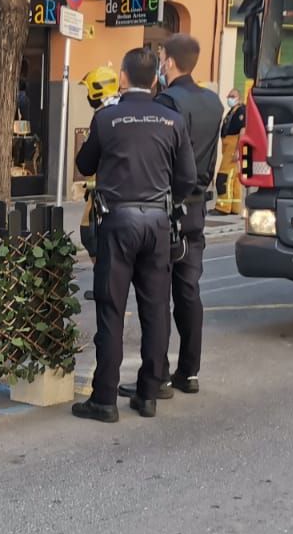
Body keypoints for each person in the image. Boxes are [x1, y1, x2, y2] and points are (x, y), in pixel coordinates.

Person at [72, 47, 195, 423]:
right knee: (156, 309)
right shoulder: (172, 120)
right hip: (157, 223)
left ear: (123, 77)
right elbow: (187, 178)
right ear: (156, 79)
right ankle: (147, 394)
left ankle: (105, 399)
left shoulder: (107, 118)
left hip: (118, 221)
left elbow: (84, 164)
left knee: (111, 308)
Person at [119, 33, 223, 401]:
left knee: (156, 295)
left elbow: (166, 158)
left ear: (171, 63)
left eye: (161, 57)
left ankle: (158, 376)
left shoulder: (166, 102)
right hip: (196, 208)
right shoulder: (214, 103)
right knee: (190, 291)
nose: (159, 64)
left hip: (167, 207)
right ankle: (189, 371)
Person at [76, 65, 120, 292]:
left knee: (90, 233)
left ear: (97, 90)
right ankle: (107, 281)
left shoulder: (103, 117)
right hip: (123, 191)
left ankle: (105, 281)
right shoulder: (122, 111)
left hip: (105, 192)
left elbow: (86, 162)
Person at [217, 88, 246, 216]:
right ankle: (235, 207)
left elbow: (242, 131)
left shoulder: (241, 111)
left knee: (225, 176)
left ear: (239, 98)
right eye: (229, 95)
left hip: (233, 145)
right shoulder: (233, 111)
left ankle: (223, 207)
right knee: (234, 178)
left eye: (232, 96)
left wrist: (237, 150)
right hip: (228, 144)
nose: (229, 98)